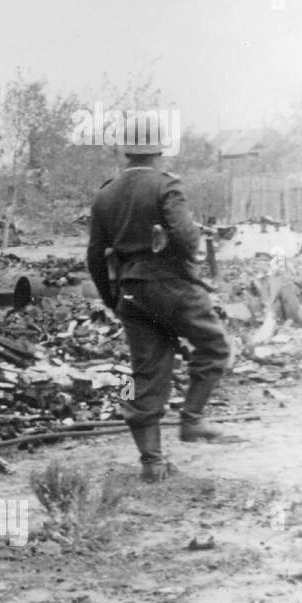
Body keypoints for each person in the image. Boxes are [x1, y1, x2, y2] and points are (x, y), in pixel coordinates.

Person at [86, 114, 236, 483]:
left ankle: (152, 462)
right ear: (159, 149)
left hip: (131, 294)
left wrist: (112, 299)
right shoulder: (166, 186)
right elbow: (188, 240)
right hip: (171, 286)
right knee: (215, 346)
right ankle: (193, 420)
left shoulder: (105, 194)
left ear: (125, 151)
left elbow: (93, 256)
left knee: (147, 373)